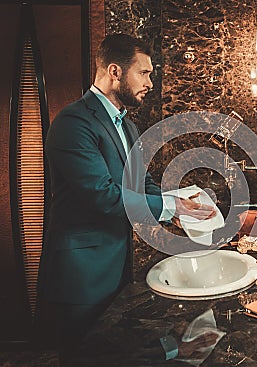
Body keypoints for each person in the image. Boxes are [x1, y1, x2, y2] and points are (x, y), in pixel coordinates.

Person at [34, 34, 216, 358]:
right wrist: (170, 205)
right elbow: (103, 195)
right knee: (83, 360)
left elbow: (141, 183)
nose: (150, 82)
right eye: (143, 73)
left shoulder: (127, 127)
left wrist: (179, 203)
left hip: (117, 271)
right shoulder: (73, 122)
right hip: (81, 278)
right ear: (115, 72)